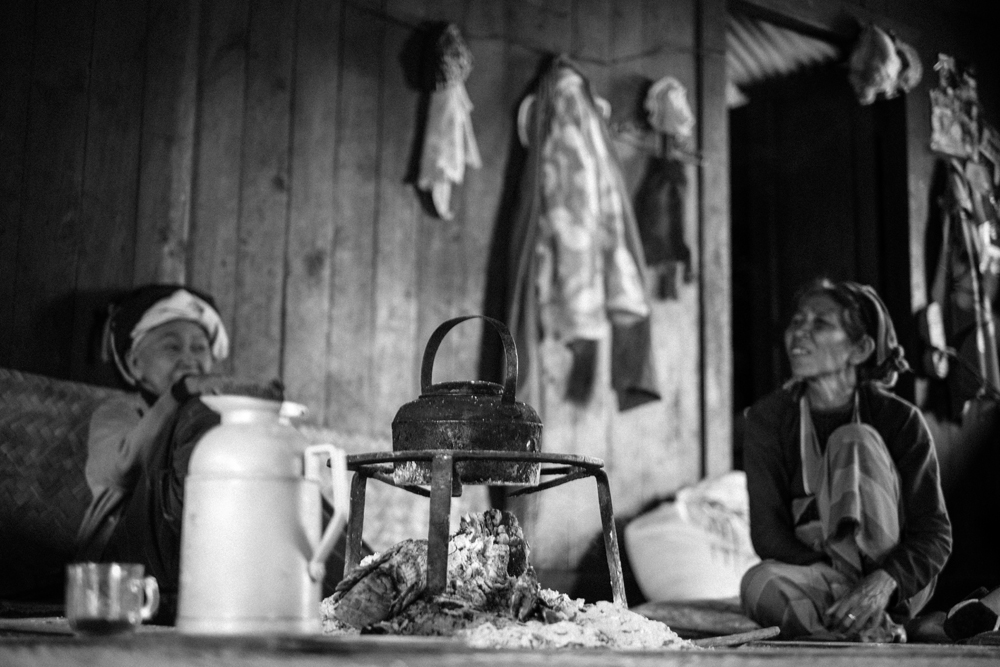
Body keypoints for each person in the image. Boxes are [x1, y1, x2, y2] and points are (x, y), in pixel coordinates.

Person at [740, 279, 952, 642]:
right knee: (757, 584)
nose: (798, 334)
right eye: (796, 322)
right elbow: (768, 535)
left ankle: (877, 618)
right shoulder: (767, 419)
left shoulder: (899, 419)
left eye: (819, 324)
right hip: (820, 574)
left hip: (892, 582)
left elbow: (934, 535)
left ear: (859, 349)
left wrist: (881, 583)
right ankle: (879, 632)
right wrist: (842, 583)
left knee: (852, 441)